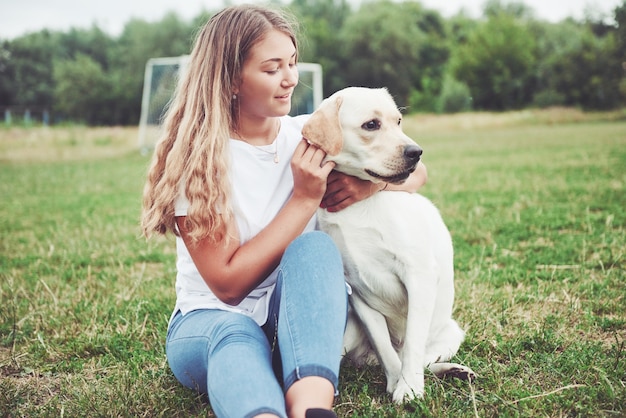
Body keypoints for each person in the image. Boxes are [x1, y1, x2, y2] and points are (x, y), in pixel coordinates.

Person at [141, 5, 427, 418]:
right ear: (232, 80)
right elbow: (227, 285)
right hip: (212, 322)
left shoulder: (308, 134)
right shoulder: (198, 162)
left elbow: (416, 171)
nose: (290, 77)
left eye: (291, 63)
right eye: (272, 68)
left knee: (314, 249)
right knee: (234, 334)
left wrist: (368, 184)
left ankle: (312, 408)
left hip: (293, 320)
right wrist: (304, 199)